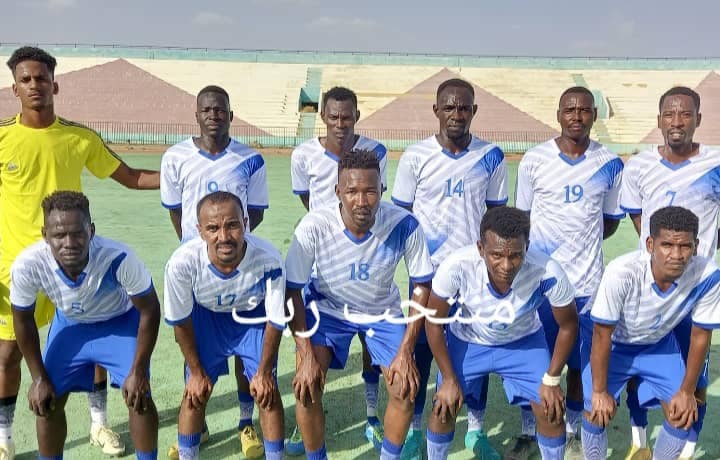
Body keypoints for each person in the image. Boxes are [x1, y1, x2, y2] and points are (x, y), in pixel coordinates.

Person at [0, 46, 160, 458]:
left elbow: (131, 176)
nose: (34, 85)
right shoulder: (1, 138)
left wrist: (185, 177)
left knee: (96, 328)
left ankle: (98, 424)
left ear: (55, 84)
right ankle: (4, 438)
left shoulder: (79, 137)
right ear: (14, 88)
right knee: (8, 354)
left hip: (72, 254)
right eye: (25, 79)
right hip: (16, 265)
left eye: (41, 78)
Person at [285, 149, 434, 460]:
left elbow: (422, 285)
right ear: (337, 191)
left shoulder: (404, 224)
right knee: (306, 388)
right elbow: (292, 291)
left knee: (405, 389)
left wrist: (406, 350)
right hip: (327, 310)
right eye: (352, 191)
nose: (362, 201)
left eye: (370, 191)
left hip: (381, 312)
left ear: (382, 189)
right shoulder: (314, 226)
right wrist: (306, 355)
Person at [391, 77, 508, 459]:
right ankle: (414, 431)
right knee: (421, 351)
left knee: (474, 351)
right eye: (449, 107)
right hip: (427, 275)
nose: (456, 113)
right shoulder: (415, 157)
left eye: (463, 107)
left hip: (473, 277)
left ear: (474, 111)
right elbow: (402, 218)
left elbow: (496, 219)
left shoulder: (492, 157)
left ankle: (475, 430)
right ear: (436, 110)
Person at [514, 86, 624, 459]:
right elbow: (523, 220)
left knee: (579, 366)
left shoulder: (610, 164)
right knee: (538, 360)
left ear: (595, 115)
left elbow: (610, 222)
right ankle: (529, 430)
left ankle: (574, 430)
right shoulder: (534, 160)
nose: (576, 116)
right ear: (558, 114)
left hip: (588, 284)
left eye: (584, 110)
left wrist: (581, 241)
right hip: (542, 284)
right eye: (569, 109)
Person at [160, 85, 269, 459]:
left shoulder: (251, 159)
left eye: (220, 110)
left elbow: (255, 213)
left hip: (240, 266)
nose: (213, 116)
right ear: (197, 115)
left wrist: (231, 245)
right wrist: (196, 248)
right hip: (198, 273)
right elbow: (176, 211)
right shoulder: (175, 157)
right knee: (193, 348)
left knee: (245, 349)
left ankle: (245, 423)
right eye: (207, 110)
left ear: (230, 115)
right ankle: (199, 426)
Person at [11, 191, 160, 460]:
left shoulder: (118, 257)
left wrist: (139, 370)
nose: (69, 243)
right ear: (45, 235)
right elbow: (22, 320)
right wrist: (38, 378)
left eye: (77, 233)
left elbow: (150, 309)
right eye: (59, 235)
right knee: (47, 401)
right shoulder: (28, 265)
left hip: (119, 323)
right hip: (71, 325)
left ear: (91, 231)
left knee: (140, 397)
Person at [424, 206, 578, 460]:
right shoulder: (456, 266)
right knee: (444, 407)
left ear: (527, 247)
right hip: (469, 341)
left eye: (516, 255)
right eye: (496, 255)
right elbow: (433, 322)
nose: (506, 265)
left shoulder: (547, 271)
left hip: (523, 343)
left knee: (550, 408)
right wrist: (449, 379)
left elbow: (569, 325)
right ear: (480, 248)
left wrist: (552, 380)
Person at [619, 86, 719, 460]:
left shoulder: (715, 163)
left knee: (695, 376)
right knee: (637, 368)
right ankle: (639, 441)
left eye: (685, 114)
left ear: (698, 119)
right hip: (648, 291)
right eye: (670, 114)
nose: (677, 122)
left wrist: (700, 254)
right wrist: (662, 259)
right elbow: (637, 217)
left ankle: (687, 448)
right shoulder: (639, 165)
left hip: (696, 293)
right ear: (659, 120)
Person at [288, 86, 389, 453]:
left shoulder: (376, 152)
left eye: (347, 117)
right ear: (323, 117)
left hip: (366, 260)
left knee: (370, 342)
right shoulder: (303, 155)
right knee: (309, 356)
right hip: (322, 265)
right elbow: (308, 201)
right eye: (334, 117)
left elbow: (374, 198)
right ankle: (306, 426)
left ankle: (372, 415)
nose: (341, 124)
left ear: (357, 117)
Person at [581, 206, 720, 460]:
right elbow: (602, 334)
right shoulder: (622, 272)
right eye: (667, 245)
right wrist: (599, 392)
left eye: (685, 246)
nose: (676, 254)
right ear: (649, 244)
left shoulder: (708, 275)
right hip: (614, 344)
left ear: (696, 247)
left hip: (658, 344)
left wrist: (687, 392)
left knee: (682, 413)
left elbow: (701, 335)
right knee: (595, 412)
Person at [163, 191, 285, 460]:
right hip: (206, 318)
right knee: (194, 393)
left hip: (252, 318)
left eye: (232, 225)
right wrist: (196, 373)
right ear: (199, 231)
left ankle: (256, 434)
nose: (224, 236)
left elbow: (276, 320)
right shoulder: (181, 264)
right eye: (213, 228)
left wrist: (264, 372)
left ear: (245, 223)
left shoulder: (269, 259)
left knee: (268, 393)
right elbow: (181, 322)